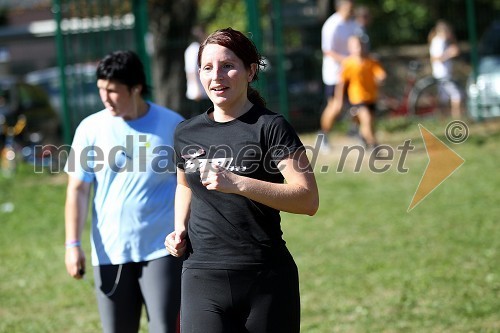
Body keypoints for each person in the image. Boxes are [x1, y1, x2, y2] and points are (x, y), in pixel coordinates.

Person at [164, 27, 319, 333]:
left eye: (227, 66)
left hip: (265, 276)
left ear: (250, 71)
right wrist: (179, 229)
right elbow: (184, 185)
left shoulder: (271, 127)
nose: (216, 76)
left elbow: (307, 198)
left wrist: (237, 183)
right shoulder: (186, 132)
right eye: (207, 68)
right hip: (201, 275)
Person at [64, 50, 184, 333]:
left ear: (136, 88)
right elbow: (78, 189)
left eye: (113, 91)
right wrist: (72, 245)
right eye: (101, 90)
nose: (105, 98)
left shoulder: (172, 125)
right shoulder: (90, 128)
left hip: (162, 248)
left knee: (167, 329)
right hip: (111, 250)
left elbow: (187, 185)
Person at [328, 35, 386, 149]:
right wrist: (339, 100)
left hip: (371, 98)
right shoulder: (348, 64)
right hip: (357, 98)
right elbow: (341, 83)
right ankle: (374, 145)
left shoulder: (371, 61)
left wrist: (381, 79)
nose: (359, 48)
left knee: (369, 123)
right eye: (355, 46)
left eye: (360, 45)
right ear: (350, 48)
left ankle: (363, 137)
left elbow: (380, 74)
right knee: (366, 119)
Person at [318, 0, 359, 152]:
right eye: (349, 7)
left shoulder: (352, 23)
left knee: (357, 104)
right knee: (335, 106)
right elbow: (327, 50)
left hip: (351, 72)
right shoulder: (332, 25)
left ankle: (356, 131)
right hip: (335, 74)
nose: (352, 10)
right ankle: (323, 136)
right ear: (340, 7)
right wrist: (347, 61)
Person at [428, 20, 463, 118]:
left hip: (444, 74)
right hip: (442, 74)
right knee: (457, 95)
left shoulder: (442, 41)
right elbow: (436, 58)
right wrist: (449, 53)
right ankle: (457, 119)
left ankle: (445, 119)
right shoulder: (438, 42)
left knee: (444, 98)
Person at [184, 25, 211, 117]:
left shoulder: (198, 48)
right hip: (198, 94)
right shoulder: (194, 49)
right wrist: (197, 90)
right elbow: (191, 71)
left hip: (202, 92)